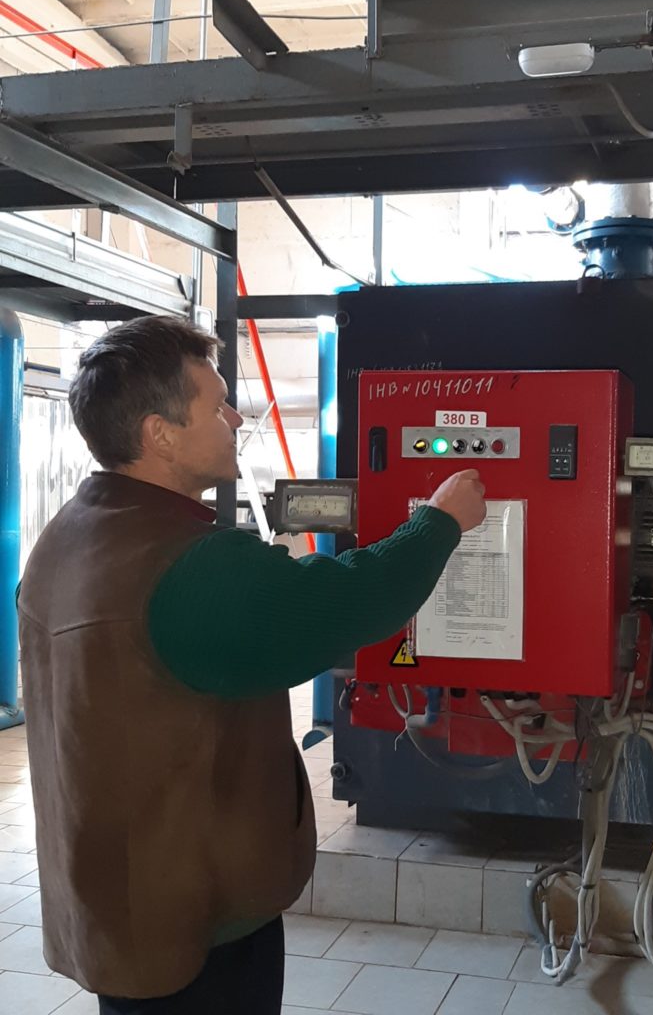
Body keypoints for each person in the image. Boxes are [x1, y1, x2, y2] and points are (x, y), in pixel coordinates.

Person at [16, 316, 486, 1014]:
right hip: (193, 921)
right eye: (216, 406)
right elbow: (343, 604)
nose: (236, 418)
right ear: (159, 434)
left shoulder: (70, 534)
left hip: (114, 899)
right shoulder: (188, 565)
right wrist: (439, 522)